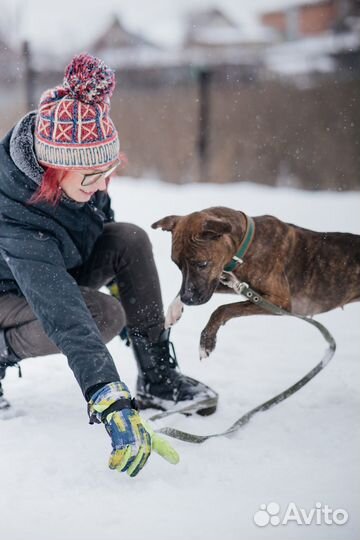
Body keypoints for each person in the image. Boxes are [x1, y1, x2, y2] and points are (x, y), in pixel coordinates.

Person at [0, 53, 218, 476]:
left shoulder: (78, 160)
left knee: (128, 239)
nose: (102, 185)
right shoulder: (15, 212)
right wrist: (110, 400)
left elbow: (102, 226)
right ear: (51, 172)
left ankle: (157, 380)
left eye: (109, 171)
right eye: (91, 178)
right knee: (101, 315)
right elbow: (65, 315)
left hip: (54, 268)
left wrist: (135, 292)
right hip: (6, 292)